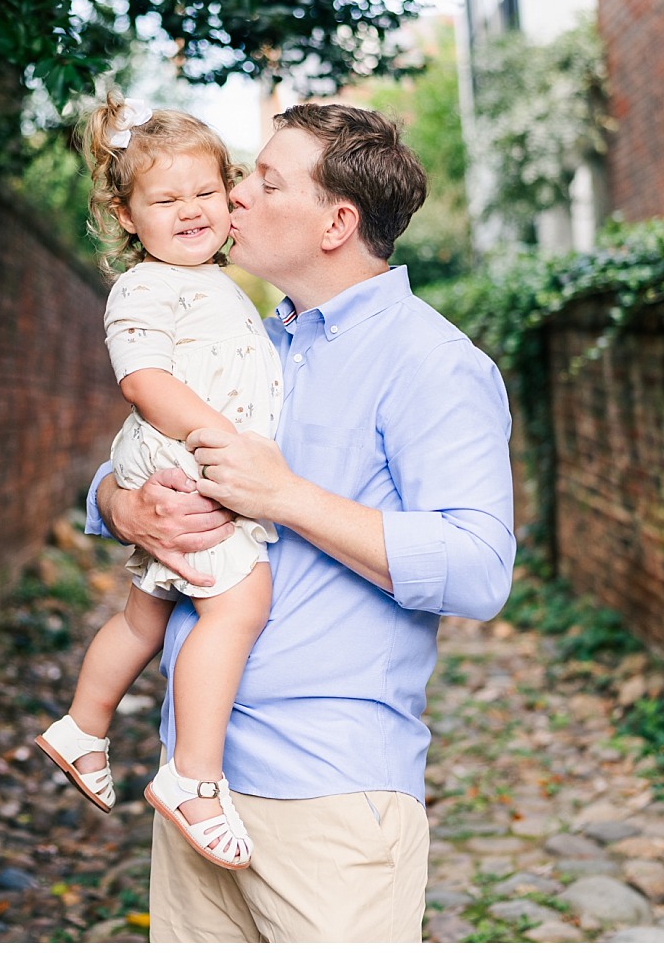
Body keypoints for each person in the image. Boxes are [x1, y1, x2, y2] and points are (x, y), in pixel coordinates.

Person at [86, 102, 515, 945]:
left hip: (329, 798)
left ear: (336, 222)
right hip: (196, 784)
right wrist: (120, 505)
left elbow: (478, 568)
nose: (235, 196)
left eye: (264, 180)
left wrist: (285, 497)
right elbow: (131, 456)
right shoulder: (250, 337)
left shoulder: (435, 364)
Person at [35, 98, 281, 872]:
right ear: (126, 214)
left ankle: (83, 724)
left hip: (181, 457)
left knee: (146, 617)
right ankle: (193, 779)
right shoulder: (146, 288)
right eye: (166, 200)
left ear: (230, 194)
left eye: (205, 194)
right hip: (184, 459)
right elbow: (143, 383)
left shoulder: (211, 284)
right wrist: (222, 439)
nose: (190, 212)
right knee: (239, 603)